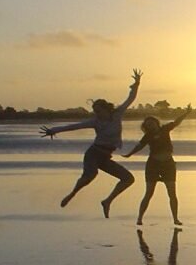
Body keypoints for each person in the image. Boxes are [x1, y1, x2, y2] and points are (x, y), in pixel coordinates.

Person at [40, 69, 142, 218]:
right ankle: (72, 194)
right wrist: (53, 130)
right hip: (94, 154)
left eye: (99, 111)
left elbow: (130, 99)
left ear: (107, 109)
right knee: (90, 176)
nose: (97, 114)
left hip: (106, 157)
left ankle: (107, 201)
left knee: (128, 179)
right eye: (95, 111)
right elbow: (74, 126)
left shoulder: (117, 114)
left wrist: (137, 84)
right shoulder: (95, 122)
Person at [122, 105, 192, 225]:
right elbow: (139, 146)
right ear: (146, 127)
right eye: (148, 125)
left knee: (172, 193)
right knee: (149, 193)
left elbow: (176, 122)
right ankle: (139, 218)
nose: (151, 125)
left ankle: (175, 218)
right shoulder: (148, 136)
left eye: (152, 123)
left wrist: (186, 113)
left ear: (156, 122)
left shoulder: (165, 129)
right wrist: (130, 154)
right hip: (153, 165)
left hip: (168, 164)